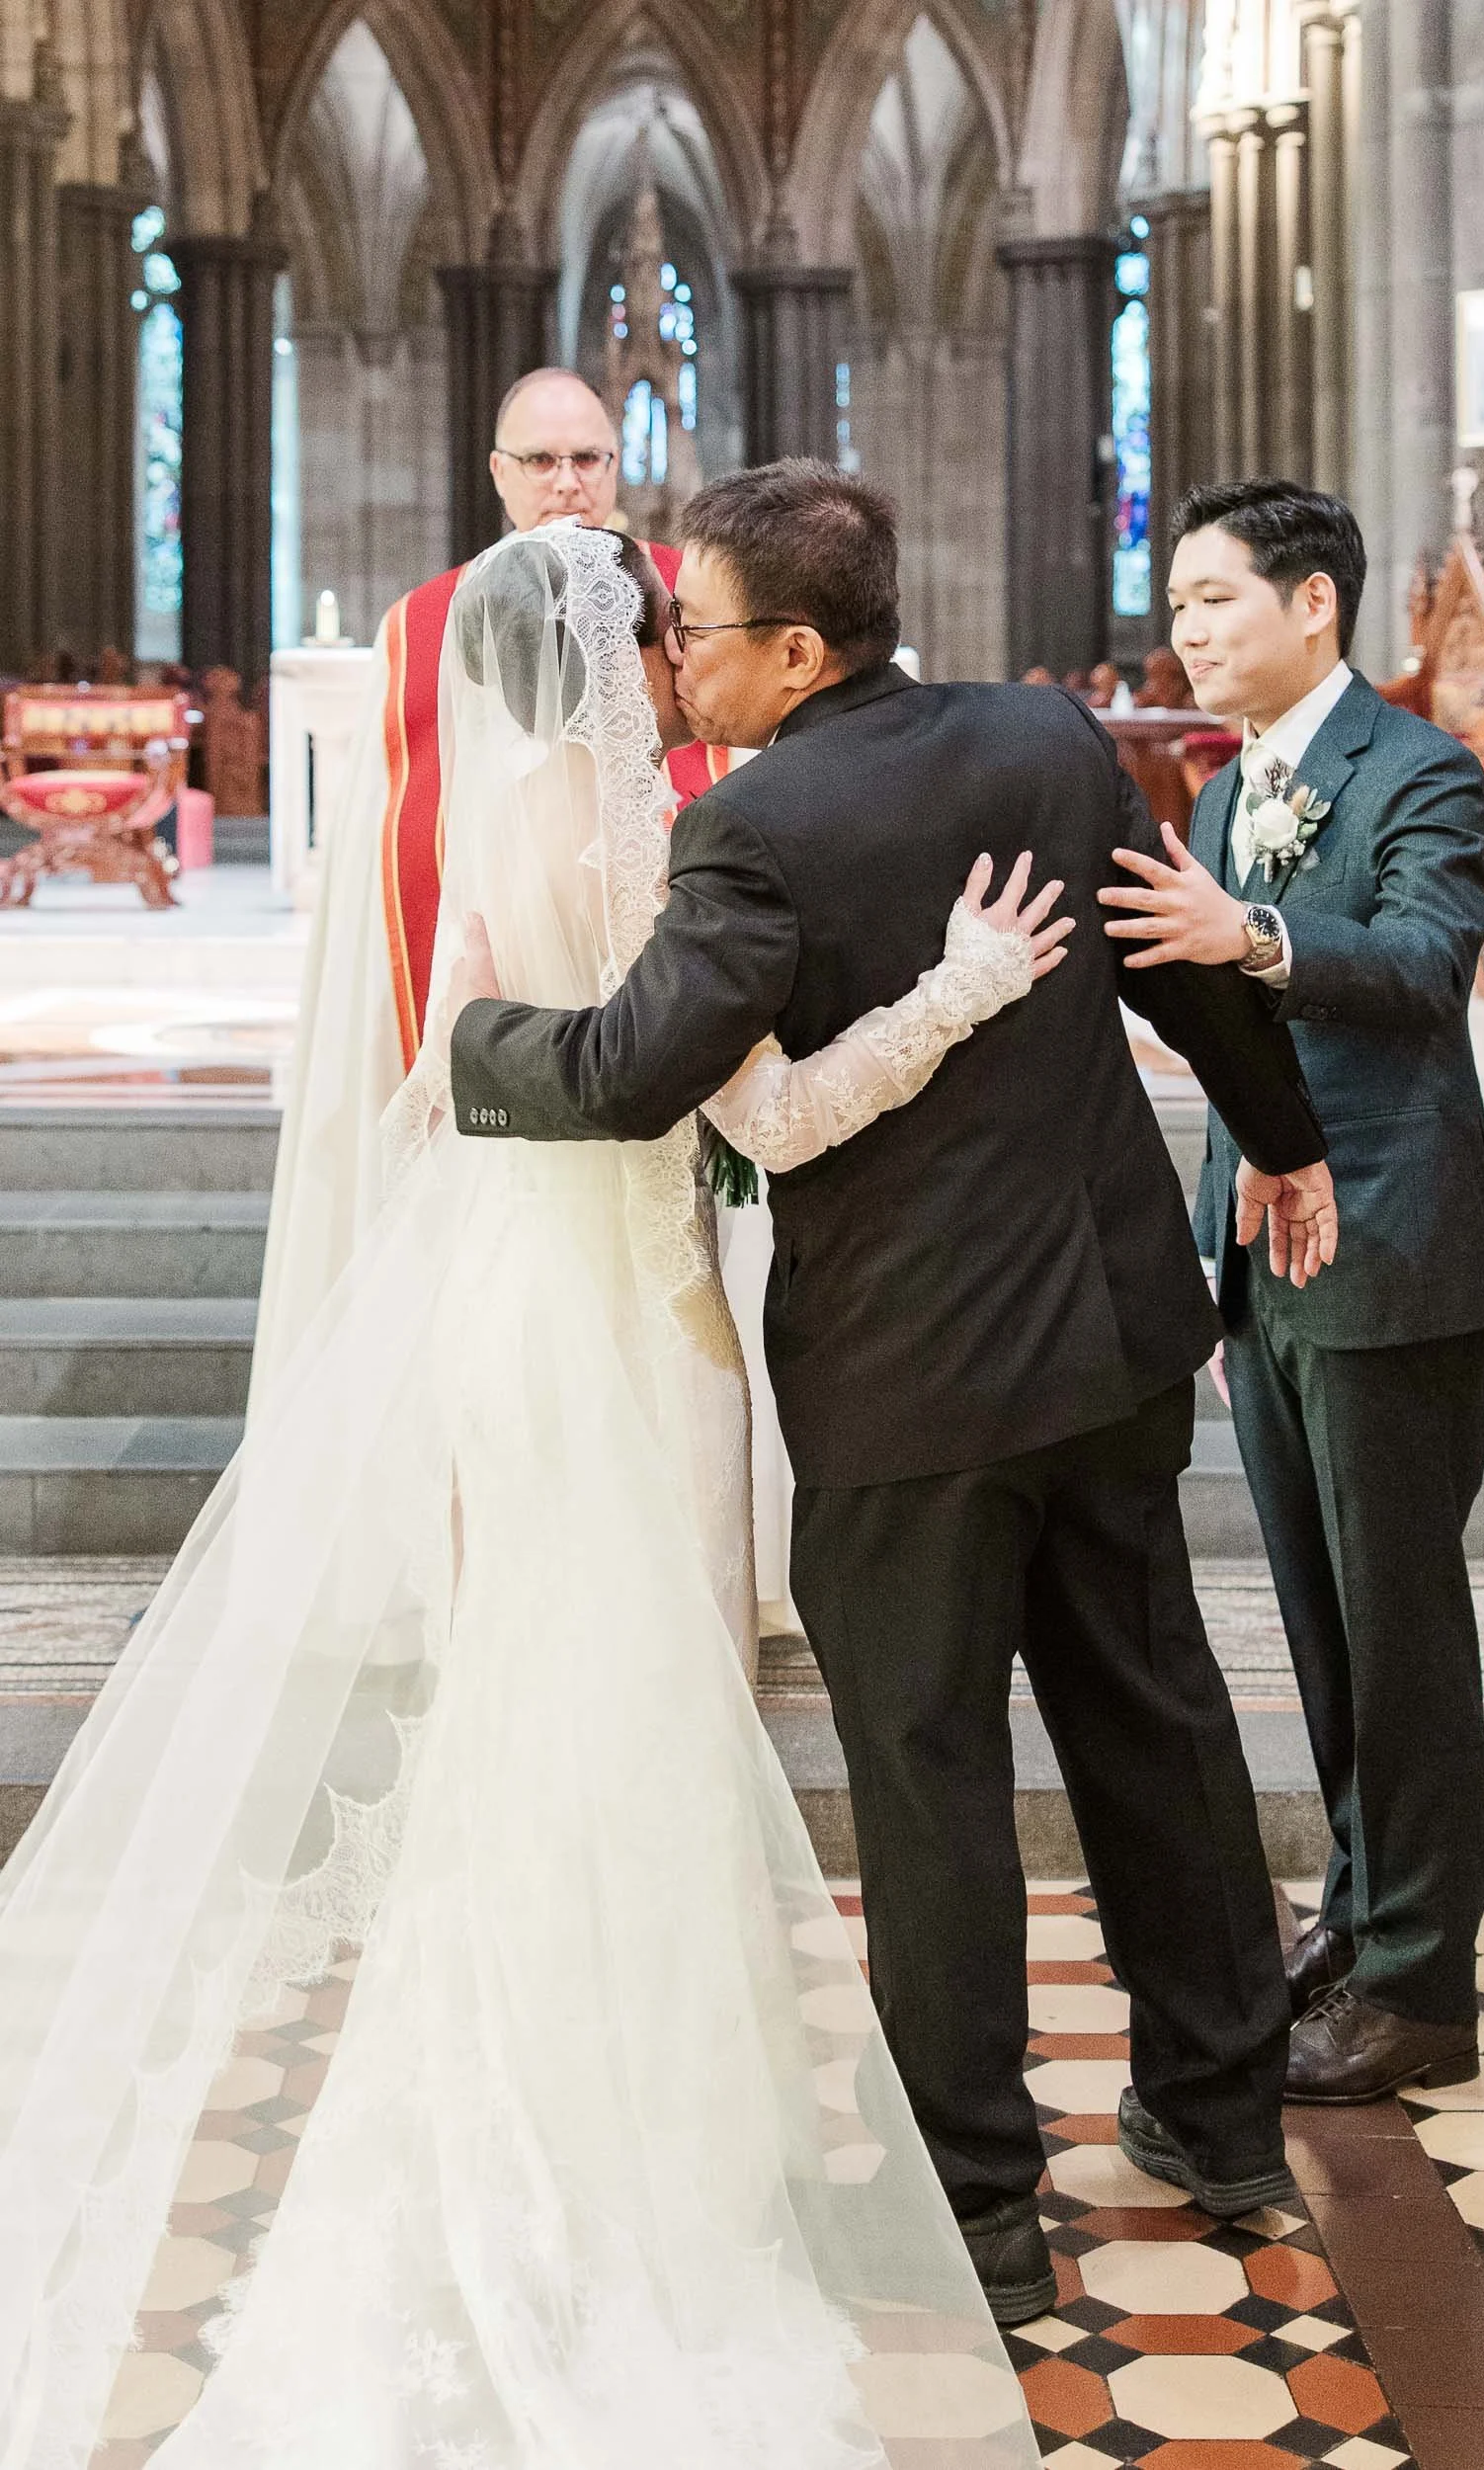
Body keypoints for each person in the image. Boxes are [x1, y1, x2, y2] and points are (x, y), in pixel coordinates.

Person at [0, 523, 1072, 2467]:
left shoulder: (479, 828)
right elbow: (770, 1111)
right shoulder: (653, 843)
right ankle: (647, 2137)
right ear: (612, 657)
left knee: (527, 1706)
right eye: (656, 632)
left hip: (507, 1320)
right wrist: (958, 991)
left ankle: (520, 2096)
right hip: (641, 1333)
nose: (675, 656)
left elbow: (444, 1084)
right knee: (650, 1720)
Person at [448, 458, 1343, 2321]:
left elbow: (629, 1072)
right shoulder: (1046, 740)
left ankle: (980, 2201)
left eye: (695, 632)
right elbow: (1179, 973)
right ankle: (1222, 2117)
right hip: (1108, 1342)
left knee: (927, 1782)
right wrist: (1282, 1138)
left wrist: (459, 1039)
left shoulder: (754, 826)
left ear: (795, 650)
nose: (672, 664)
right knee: (1155, 1721)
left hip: (907, 1385)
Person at [1099, 477, 1484, 2102]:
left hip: (1387, 1249)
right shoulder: (1221, 795)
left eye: (1212, 598)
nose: (1186, 632)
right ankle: (1357, 1912)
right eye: (1179, 604)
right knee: (1321, 1618)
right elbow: (1224, 1045)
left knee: (1398, 1621)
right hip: (1263, 1260)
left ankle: (1421, 1982)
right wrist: (1218, 1236)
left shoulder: (1417, 769)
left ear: (1312, 604)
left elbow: (1420, 970)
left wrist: (1254, 933)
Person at [251, 368, 728, 1411]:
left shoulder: (694, 604)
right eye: (540, 460)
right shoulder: (424, 628)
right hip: (551, 1103)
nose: (566, 482)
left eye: (587, 458)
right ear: (497, 472)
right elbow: (389, 871)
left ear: (618, 464)